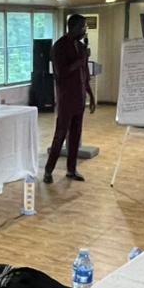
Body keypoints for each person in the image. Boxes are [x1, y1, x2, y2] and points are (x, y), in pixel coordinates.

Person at [43, 14, 95, 184]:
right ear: (72, 27)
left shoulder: (80, 47)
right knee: (60, 135)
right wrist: (81, 60)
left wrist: (91, 95)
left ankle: (71, 170)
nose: (84, 30)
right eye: (82, 27)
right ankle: (48, 170)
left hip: (79, 99)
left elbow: (85, 74)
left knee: (75, 136)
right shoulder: (59, 47)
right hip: (66, 100)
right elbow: (61, 73)